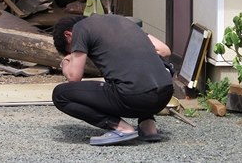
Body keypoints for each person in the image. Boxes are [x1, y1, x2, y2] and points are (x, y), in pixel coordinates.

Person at [52, 14, 174, 146]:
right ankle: (148, 127)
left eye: (72, 50)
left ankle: (122, 129)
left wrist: (65, 63)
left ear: (68, 35)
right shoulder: (123, 21)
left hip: (135, 97)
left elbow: (73, 77)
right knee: (135, 76)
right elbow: (164, 50)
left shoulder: (80, 29)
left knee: (60, 94)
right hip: (165, 94)